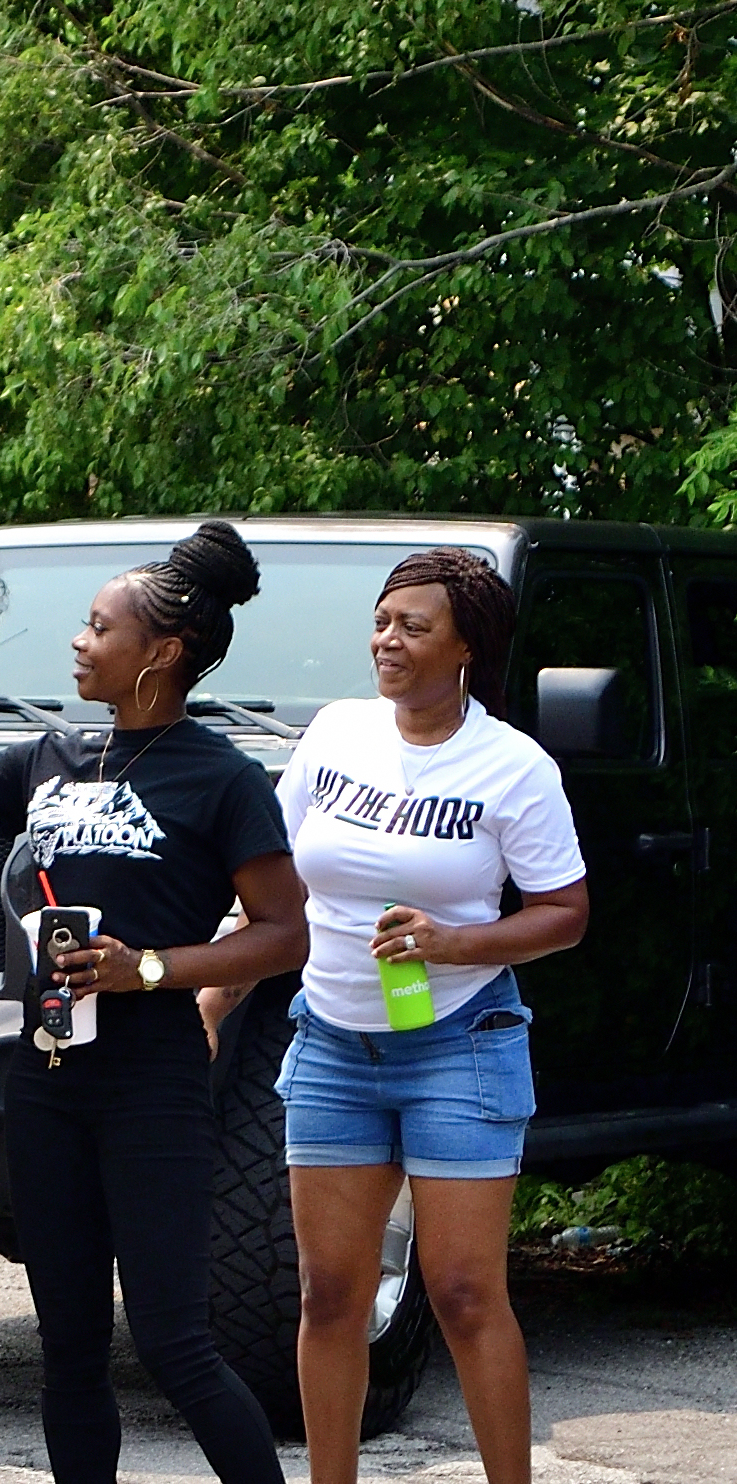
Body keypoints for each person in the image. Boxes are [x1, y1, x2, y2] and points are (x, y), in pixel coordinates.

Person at [0, 522, 309, 1484]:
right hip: (45, 1082)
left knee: (173, 1345)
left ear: (158, 653)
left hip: (151, 1084)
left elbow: (283, 932)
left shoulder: (221, 778)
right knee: (68, 1351)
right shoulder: (52, 756)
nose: (78, 643)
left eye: (96, 627)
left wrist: (150, 968)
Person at [271, 548, 588, 1484]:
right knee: (329, 1292)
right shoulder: (334, 733)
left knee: (459, 1292)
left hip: (456, 1043)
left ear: (464, 648)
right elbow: (275, 877)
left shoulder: (511, 766)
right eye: (381, 621)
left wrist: (454, 943)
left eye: (412, 626)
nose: (386, 640)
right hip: (329, 1040)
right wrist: (213, 984)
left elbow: (564, 914)